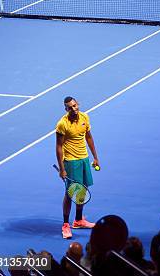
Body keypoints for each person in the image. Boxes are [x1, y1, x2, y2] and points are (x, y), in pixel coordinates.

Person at [56, 96, 99, 239]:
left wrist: (95, 157)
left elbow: (89, 137)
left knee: (83, 190)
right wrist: (62, 168)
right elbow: (59, 147)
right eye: (70, 107)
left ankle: (79, 220)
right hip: (71, 161)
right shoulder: (62, 124)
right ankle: (65, 225)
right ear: (66, 109)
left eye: (75, 105)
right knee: (70, 193)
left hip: (84, 159)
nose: (73, 109)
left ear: (78, 104)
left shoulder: (85, 117)